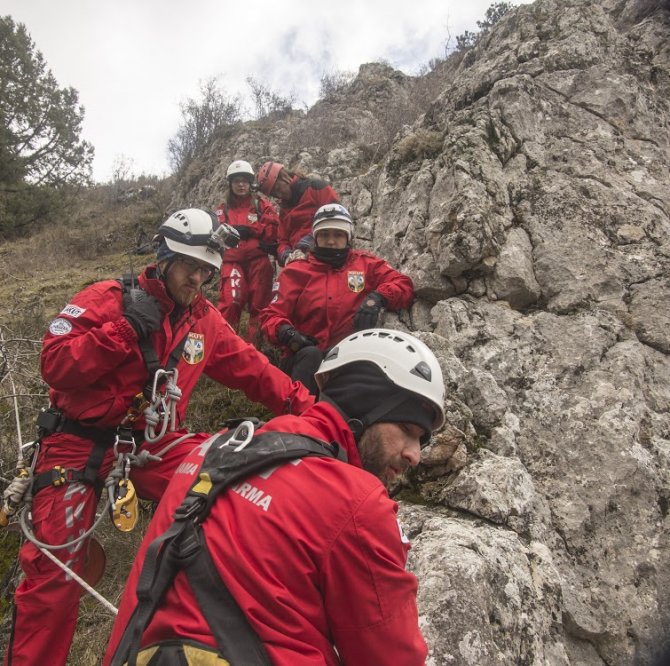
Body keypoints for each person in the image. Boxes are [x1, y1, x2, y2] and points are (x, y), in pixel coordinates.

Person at [4, 208, 314, 666]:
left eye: (207, 271)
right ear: (165, 258)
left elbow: (254, 371)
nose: (197, 280)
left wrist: (314, 412)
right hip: (75, 444)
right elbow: (57, 366)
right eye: (190, 267)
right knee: (56, 578)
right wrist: (126, 329)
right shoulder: (106, 299)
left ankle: (197, 624)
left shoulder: (203, 320)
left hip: (153, 445)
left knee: (229, 481)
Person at [104, 328, 445, 665]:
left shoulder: (209, 451)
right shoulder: (357, 502)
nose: (415, 454)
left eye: (422, 440)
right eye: (407, 430)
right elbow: (390, 657)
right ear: (365, 407)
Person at [260, 203, 415, 394]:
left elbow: (403, 282)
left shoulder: (365, 264)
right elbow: (270, 316)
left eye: (338, 234)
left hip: (349, 356)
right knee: (311, 355)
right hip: (305, 360)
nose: (331, 241)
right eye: (324, 234)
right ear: (315, 238)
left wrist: (378, 298)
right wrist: (289, 334)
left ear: (348, 237)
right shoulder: (295, 272)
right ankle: (297, 418)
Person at [214, 159, 279, 343]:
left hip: (258, 261)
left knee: (260, 307)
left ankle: (253, 351)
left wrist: (251, 229)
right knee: (231, 302)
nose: (241, 184)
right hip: (232, 261)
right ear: (230, 184)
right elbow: (216, 233)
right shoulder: (223, 209)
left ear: (250, 183)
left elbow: (273, 230)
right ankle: (224, 346)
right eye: (236, 181)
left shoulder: (261, 205)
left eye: (244, 180)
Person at [256, 161, 339, 266]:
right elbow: (283, 240)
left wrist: (306, 245)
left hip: (324, 252)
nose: (278, 195)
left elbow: (334, 218)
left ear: (284, 177)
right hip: (298, 260)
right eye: (274, 194)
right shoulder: (284, 211)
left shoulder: (316, 188)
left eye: (277, 189)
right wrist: (286, 255)